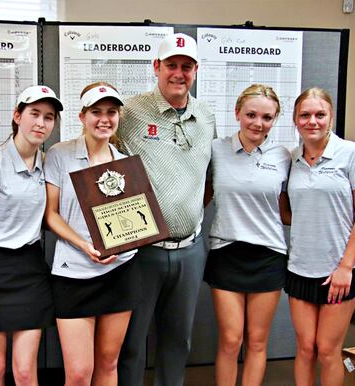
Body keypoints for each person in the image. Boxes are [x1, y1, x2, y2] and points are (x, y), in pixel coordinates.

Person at [117, 32, 216, 386]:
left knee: (178, 341)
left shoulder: (206, 116)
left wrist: (183, 212)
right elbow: (100, 160)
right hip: (142, 251)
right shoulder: (129, 112)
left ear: (195, 71)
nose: (179, 73)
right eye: (171, 65)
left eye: (186, 67)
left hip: (190, 250)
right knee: (132, 342)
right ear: (156, 67)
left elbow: (208, 180)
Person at [44, 82, 140, 386]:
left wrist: (122, 246)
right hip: (73, 274)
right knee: (78, 373)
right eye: (96, 111)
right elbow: (50, 215)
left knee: (109, 364)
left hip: (120, 270)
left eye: (111, 112)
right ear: (82, 116)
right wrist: (84, 245)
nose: (104, 119)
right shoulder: (60, 155)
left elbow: (135, 222)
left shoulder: (125, 162)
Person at [0, 85, 62, 386]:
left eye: (48, 117)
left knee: (24, 371)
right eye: (34, 114)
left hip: (31, 271)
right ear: (17, 115)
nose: (40, 124)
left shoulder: (48, 164)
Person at [286, 87, 355, 386]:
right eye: (305, 115)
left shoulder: (352, 153)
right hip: (301, 267)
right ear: (295, 120)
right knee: (304, 347)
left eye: (320, 114)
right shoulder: (292, 158)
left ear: (331, 117)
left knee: (327, 349)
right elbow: (288, 211)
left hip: (341, 270)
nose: (313, 121)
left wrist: (345, 267)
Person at [203, 84, 291, 385]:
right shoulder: (216, 150)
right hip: (226, 252)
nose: (258, 123)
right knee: (230, 339)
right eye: (251, 114)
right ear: (237, 113)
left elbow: (288, 208)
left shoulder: (284, 156)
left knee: (256, 341)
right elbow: (198, 195)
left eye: (267, 117)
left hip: (269, 256)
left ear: (275, 119)